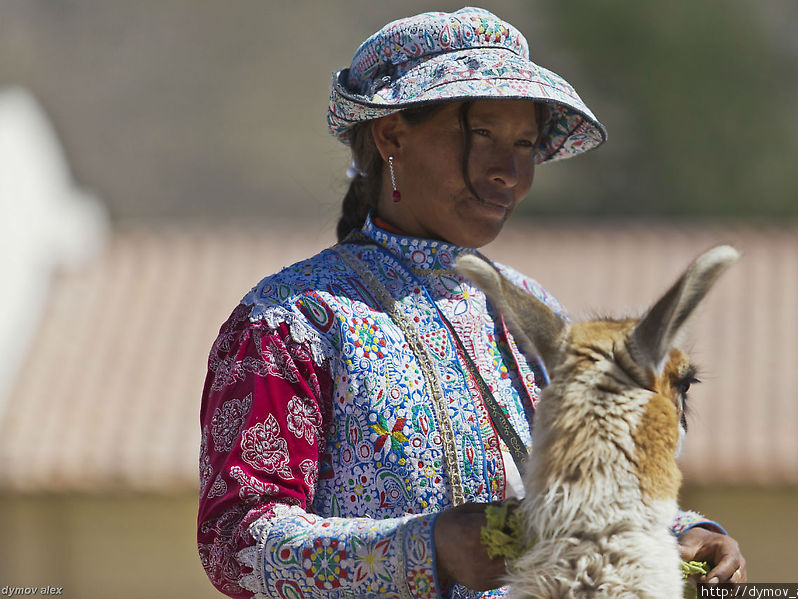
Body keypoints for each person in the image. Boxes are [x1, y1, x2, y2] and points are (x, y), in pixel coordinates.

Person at [197, 7, 747, 598]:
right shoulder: (291, 322)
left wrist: (688, 532)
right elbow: (237, 543)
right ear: (391, 136)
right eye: (481, 134)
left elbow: (586, 489)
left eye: (526, 144)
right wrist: (425, 549)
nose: (509, 171)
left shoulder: (531, 313)